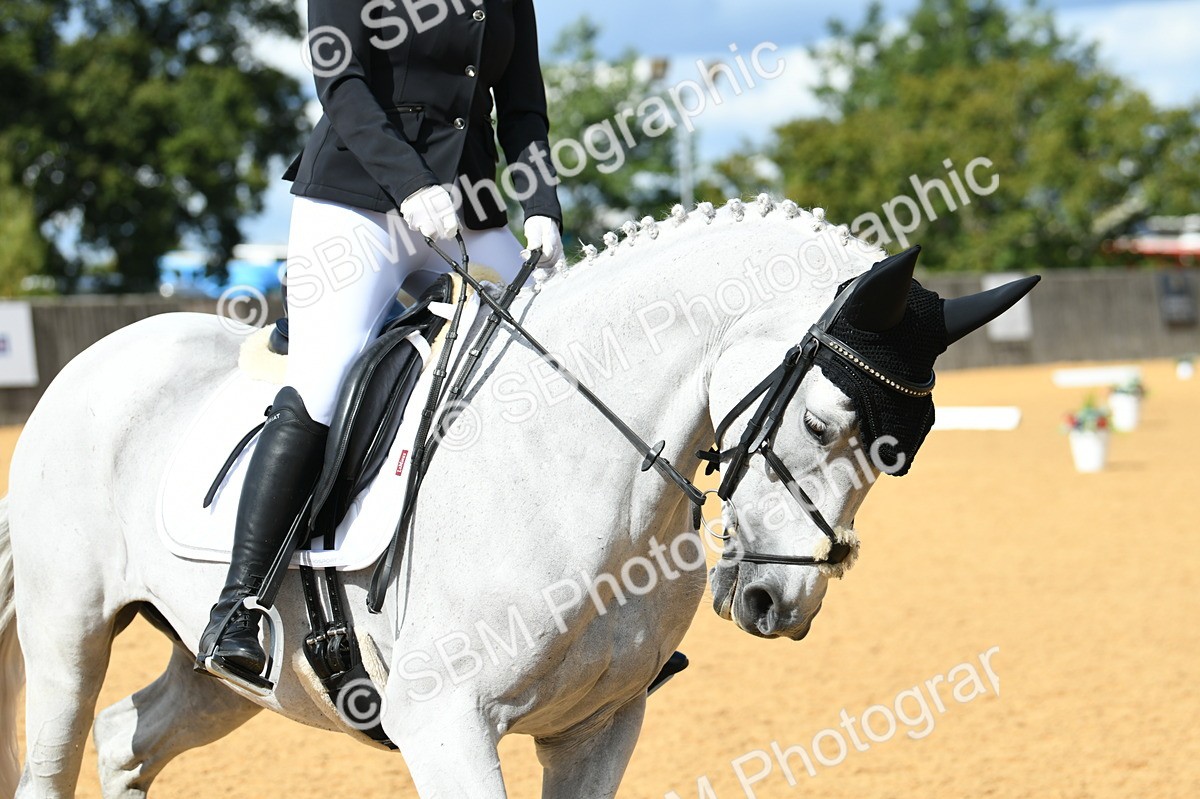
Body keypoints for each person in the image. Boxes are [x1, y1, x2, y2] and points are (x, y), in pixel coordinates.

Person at [197, 0, 564, 680]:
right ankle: (238, 605)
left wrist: (540, 205)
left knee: (555, 360)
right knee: (327, 377)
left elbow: (522, 106)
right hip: (358, 195)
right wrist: (411, 183)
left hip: (467, 202)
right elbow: (340, 81)